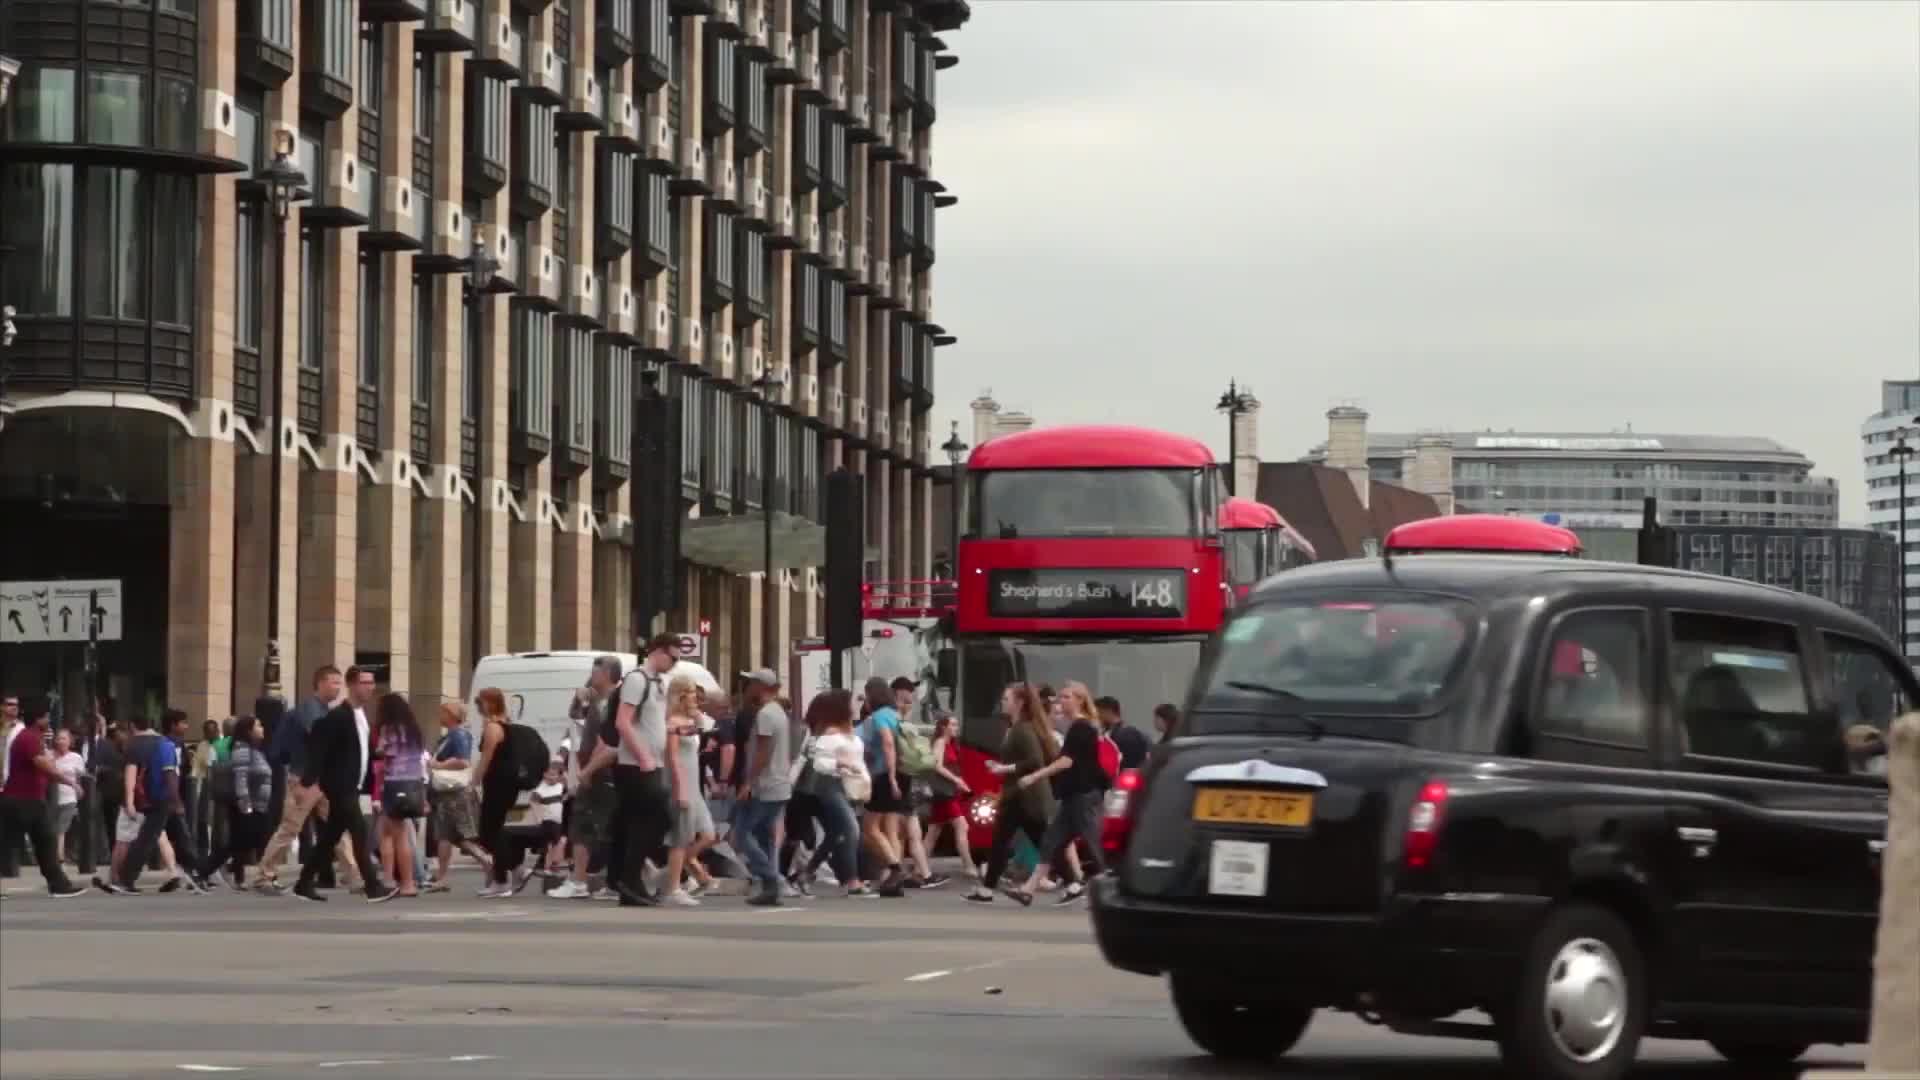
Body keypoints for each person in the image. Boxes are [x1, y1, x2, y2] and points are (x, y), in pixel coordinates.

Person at [289, 666, 394, 903]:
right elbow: (319, 750)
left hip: (353, 785)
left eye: (372, 683)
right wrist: (306, 783)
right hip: (340, 786)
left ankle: (303, 883)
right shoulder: (337, 716)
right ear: (353, 685)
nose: (370, 687)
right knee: (359, 832)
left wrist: (378, 754)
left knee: (329, 837)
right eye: (365, 683)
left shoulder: (361, 715)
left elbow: (359, 751)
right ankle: (372, 886)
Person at [257, 666, 360, 892]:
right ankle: (264, 875)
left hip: (319, 778)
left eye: (339, 683)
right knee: (291, 828)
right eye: (334, 682)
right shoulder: (311, 710)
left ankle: (354, 875)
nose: (338, 688)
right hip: (306, 778)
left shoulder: (317, 710)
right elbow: (321, 739)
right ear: (320, 683)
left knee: (336, 826)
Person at [965, 684, 1057, 906]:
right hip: (1017, 796)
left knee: (1042, 842)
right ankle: (987, 889)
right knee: (1002, 842)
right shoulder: (1016, 727)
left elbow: (1035, 761)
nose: (1002, 702)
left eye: (1006, 699)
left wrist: (1002, 769)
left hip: (1026, 798)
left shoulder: (1023, 729)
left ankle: (1075, 881)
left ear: (1019, 703)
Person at [607, 634, 678, 907]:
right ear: (657, 652)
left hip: (651, 764)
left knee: (638, 823)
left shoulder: (658, 683)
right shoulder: (637, 680)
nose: (674, 663)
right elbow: (623, 722)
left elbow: (653, 723)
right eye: (672, 656)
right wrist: (644, 757)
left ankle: (628, 881)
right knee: (655, 819)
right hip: (636, 766)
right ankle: (629, 878)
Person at [549, 655, 622, 900]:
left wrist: (588, 770)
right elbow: (575, 723)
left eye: (596, 672)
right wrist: (578, 698)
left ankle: (581, 881)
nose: (592, 676)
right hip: (596, 771)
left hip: (600, 772)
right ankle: (611, 881)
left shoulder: (609, 703)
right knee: (599, 827)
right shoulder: (598, 702)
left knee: (584, 826)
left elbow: (605, 743)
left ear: (608, 674)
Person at [0, 697, 88, 897]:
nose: (49, 720)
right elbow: (44, 766)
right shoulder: (29, 738)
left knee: (45, 842)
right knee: (10, 844)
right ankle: (58, 884)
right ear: (39, 718)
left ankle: (59, 885)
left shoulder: (31, 737)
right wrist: (71, 782)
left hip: (29, 800)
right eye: (46, 716)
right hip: (22, 801)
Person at [118, 710, 208, 894]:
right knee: (147, 839)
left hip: (164, 799)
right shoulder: (165, 746)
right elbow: (169, 775)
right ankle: (125, 878)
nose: (186, 726)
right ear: (173, 725)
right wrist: (176, 800)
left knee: (181, 838)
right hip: (162, 799)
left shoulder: (173, 745)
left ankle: (197, 874)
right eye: (183, 723)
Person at [794, 689, 871, 897]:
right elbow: (820, 764)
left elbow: (858, 761)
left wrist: (864, 782)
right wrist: (841, 763)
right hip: (827, 787)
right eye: (852, 704)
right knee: (850, 829)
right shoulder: (828, 735)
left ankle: (807, 872)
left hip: (848, 786)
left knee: (836, 833)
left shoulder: (850, 731)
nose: (856, 708)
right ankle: (852, 881)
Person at [732, 669, 794, 906]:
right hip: (778, 783)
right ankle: (770, 888)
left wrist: (748, 781)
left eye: (751, 683)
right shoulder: (778, 712)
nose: (748, 688)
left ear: (760, 686)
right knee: (764, 834)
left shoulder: (766, 715)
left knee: (743, 833)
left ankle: (770, 877)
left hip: (766, 785)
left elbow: (763, 753)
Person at [199, 715, 273, 888]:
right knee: (243, 843)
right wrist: (245, 806)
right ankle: (204, 871)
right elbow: (241, 779)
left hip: (258, 805)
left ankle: (210, 872)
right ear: (249, 731)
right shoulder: (242, 749)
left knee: (240, 844)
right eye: (258, 725)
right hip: (248, 806)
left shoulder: (254, 750)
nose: (262, 728)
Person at [663, 676, 718, 907]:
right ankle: (673, 888)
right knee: (680, 837)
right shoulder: (672, 722)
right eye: (691, 693)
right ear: (681, 695)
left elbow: (709, 725)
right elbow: (672, 757)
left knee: (708, 835)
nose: (696, 697)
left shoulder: (687, 720)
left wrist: (696, 713)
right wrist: (679, 788)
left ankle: (673, 872)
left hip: (693, 785)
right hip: (681, 784)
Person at [426, 701, 490, 892]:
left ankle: (487, 862)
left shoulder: (458, 735)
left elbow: (463, 761)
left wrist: (437, 765)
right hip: (446, 793)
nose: (439, 716)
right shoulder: (450, 736)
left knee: (457, 835)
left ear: (451, 715)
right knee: (446, 835)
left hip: (455, 793)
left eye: (442, 712)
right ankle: (443, 876)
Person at [857, 677, 909, 897]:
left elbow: (888, 743)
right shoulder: (894, 715)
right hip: (898, 775)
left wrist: (891, 777)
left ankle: (895, 869)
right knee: (890, 829)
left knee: (869, 828)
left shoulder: (879, 717)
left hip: (884, 777)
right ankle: (892, 880)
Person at [373, 694, 428, 898]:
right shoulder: (415, 731)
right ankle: (390, 879)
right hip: (414, 784)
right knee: (387, 831)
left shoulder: (390, 730)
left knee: (398, 834)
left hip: (395, 783)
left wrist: (379, 749)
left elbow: (384, 753)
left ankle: (406, 882)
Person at [471, 687, 521, 899]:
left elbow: (487, 757)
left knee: (490, 831)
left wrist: (475, 780)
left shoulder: (493, 727)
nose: (478, 707)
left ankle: (503, 880)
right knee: (495, 829)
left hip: (497, 782)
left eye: (480, 703)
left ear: (490, 703)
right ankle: (515, 871)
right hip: (506, 783)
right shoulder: (506, 722)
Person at [919, 711, 978, 883]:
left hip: (947, 793)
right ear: (943, 727)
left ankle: (919, 867)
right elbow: (937, 766)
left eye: (956, 725)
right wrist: (957, 780)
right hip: (944, 794)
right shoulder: (940, 742)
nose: (956, 728)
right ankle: (968, 866)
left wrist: (959, 782)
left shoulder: (951, 743)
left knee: (933, 832)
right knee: (961, 826)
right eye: (952, 725)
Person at [50, 729, 86, 865]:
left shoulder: (76, 758)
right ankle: (55, 855)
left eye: (64, 738)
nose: (61, 741)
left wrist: (79, 790)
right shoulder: (50, 755)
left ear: (70, 741)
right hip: (52, 797)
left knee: (61, 827)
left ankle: (59, 856)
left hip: (69, 798)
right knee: (53, 827)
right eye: (58, 738)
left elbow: (81, 777)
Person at [1098, 696, 1151, 770]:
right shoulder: (1134, 732)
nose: (1097, 717)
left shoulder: (1124, 735)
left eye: (1099, 713)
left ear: (1108, 711)